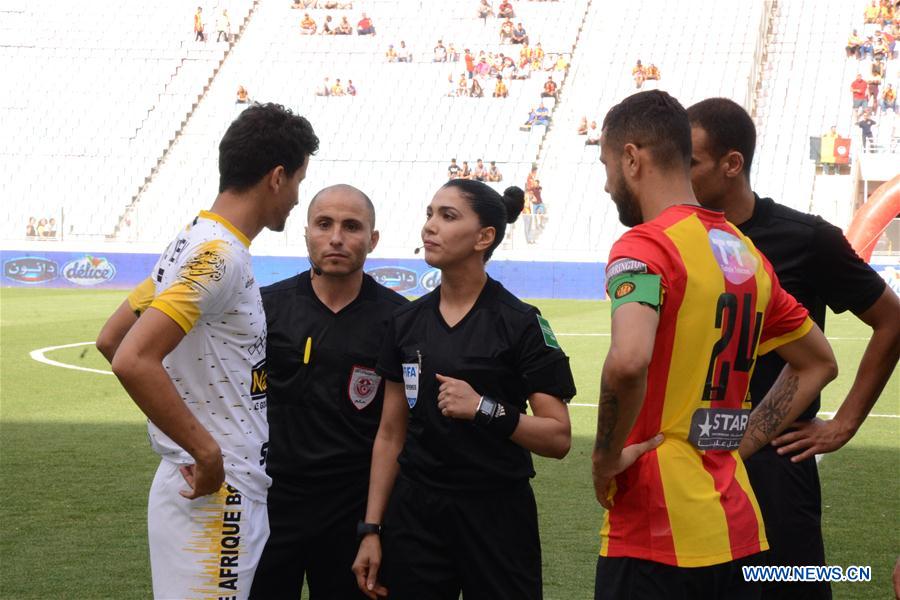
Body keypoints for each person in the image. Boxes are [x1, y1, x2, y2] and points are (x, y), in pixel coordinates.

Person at [593, 90, 838, 600]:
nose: (607, 182)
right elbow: (818, 362)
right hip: (738, 528)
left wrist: (604, 456)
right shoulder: (745, 253)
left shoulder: (644, 245)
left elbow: (628, 360)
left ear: (632, 158)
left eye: (608, 165)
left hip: (656, 531)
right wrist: (742, 442)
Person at [95, 103, 320, 600]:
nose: (297, 199)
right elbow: (130, 356)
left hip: (205, 486)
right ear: (277, 178)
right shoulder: (218, 257)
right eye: (300, 182)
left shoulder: (190, 242)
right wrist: (205, 450)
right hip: (218, 491)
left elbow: (111, 338)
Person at [688, 97, 900, 600]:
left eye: (689, 162)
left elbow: (892, 320)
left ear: (731, 164)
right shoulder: (672, 241)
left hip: (775, 462)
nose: (677, 173)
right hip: (688, 455)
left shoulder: (805, 239)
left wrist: (844, 423)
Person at [351, 179, 576, 600]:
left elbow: (559, 436)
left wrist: (484, 408)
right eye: (429, 214)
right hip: (416, 514)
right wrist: (372, 529)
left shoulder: (520, 322)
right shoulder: (405, 323)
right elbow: (389, 434)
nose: (429, 227)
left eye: (447, 216)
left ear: (484, 237)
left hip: (497, 514)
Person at [249, 185, 408, 599]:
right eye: (324, 224)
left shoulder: (400, 320)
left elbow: (398, 431)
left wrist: (373, 526)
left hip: (354, 513)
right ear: (306, 234)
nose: (336, 237)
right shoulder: (264, 309)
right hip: (270, 507)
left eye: (351, 226)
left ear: (372, 240)